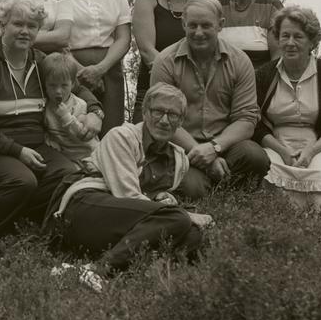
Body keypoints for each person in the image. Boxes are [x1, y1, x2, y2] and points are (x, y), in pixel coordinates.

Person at [0, 0, 91, 248]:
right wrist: (16, 151)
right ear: (3, 24)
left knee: (69, 173)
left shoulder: (39, 61)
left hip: (34, 145)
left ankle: (19, 231)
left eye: (32, 26)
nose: (25, 32)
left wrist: (95, 112)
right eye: (18, 24)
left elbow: (77, 87)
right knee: (22, 181)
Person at [46, 83, 206, 292]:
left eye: (173, 115)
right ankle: (97, 270)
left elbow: (150, 197)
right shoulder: (122, 136)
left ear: (181, 121)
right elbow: (127, 194)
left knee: (193, 233)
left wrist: (162, 198)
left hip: (121, 220)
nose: (164, 120)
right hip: (86, 206)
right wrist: (185, 214)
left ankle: (135, 272)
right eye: (158, 111)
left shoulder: (179, 160)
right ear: (145, 112)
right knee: (179, 219)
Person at [149, 0, 270, 200]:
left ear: (220, 25)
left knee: (255, 157)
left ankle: (228, 193)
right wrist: (201, 153)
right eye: (192, 25)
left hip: (225, 147)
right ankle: (210, 187)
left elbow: (246, 120)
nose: (198, 33)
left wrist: (215, 148)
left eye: (206, 25)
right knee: (190, 189)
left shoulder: (240, 62)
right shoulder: (166, 62)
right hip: (181, 149)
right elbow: (162, 119)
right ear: (184, 25)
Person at [253, 6, 321, 215]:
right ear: (277, 39)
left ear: (312, 42)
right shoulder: (265, 75)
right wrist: (281, 150)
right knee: (270, 171)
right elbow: (256, 123)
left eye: (298, 37)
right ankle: (278, 223)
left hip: (317, 146)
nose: (290, 43)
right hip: (276, 145)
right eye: (285, 36)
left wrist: (311, 151)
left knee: (319, 174)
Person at [56, 0, 132, 132]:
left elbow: (124, 38)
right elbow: (55, 36)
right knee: (75, 129)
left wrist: (100, 69)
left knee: (111, 132)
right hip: (68, 69)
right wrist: (80, 73)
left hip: (109, 70)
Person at [130, 0, 205, 121]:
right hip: (152, 91)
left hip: (192, 95)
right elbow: (147, 52)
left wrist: (187, 89)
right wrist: (175, 83)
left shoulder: (201, 2)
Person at [38, 50, 102, 165]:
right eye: (52, 85)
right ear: (45, 85)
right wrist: (50, 141)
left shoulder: (80, 105)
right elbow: (45, 130)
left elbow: (81, 136)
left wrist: (66, 117)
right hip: (67, 157)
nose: (58, 91)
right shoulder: (45, 106)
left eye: (64, 85)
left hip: (88, 154)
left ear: (72, 85)